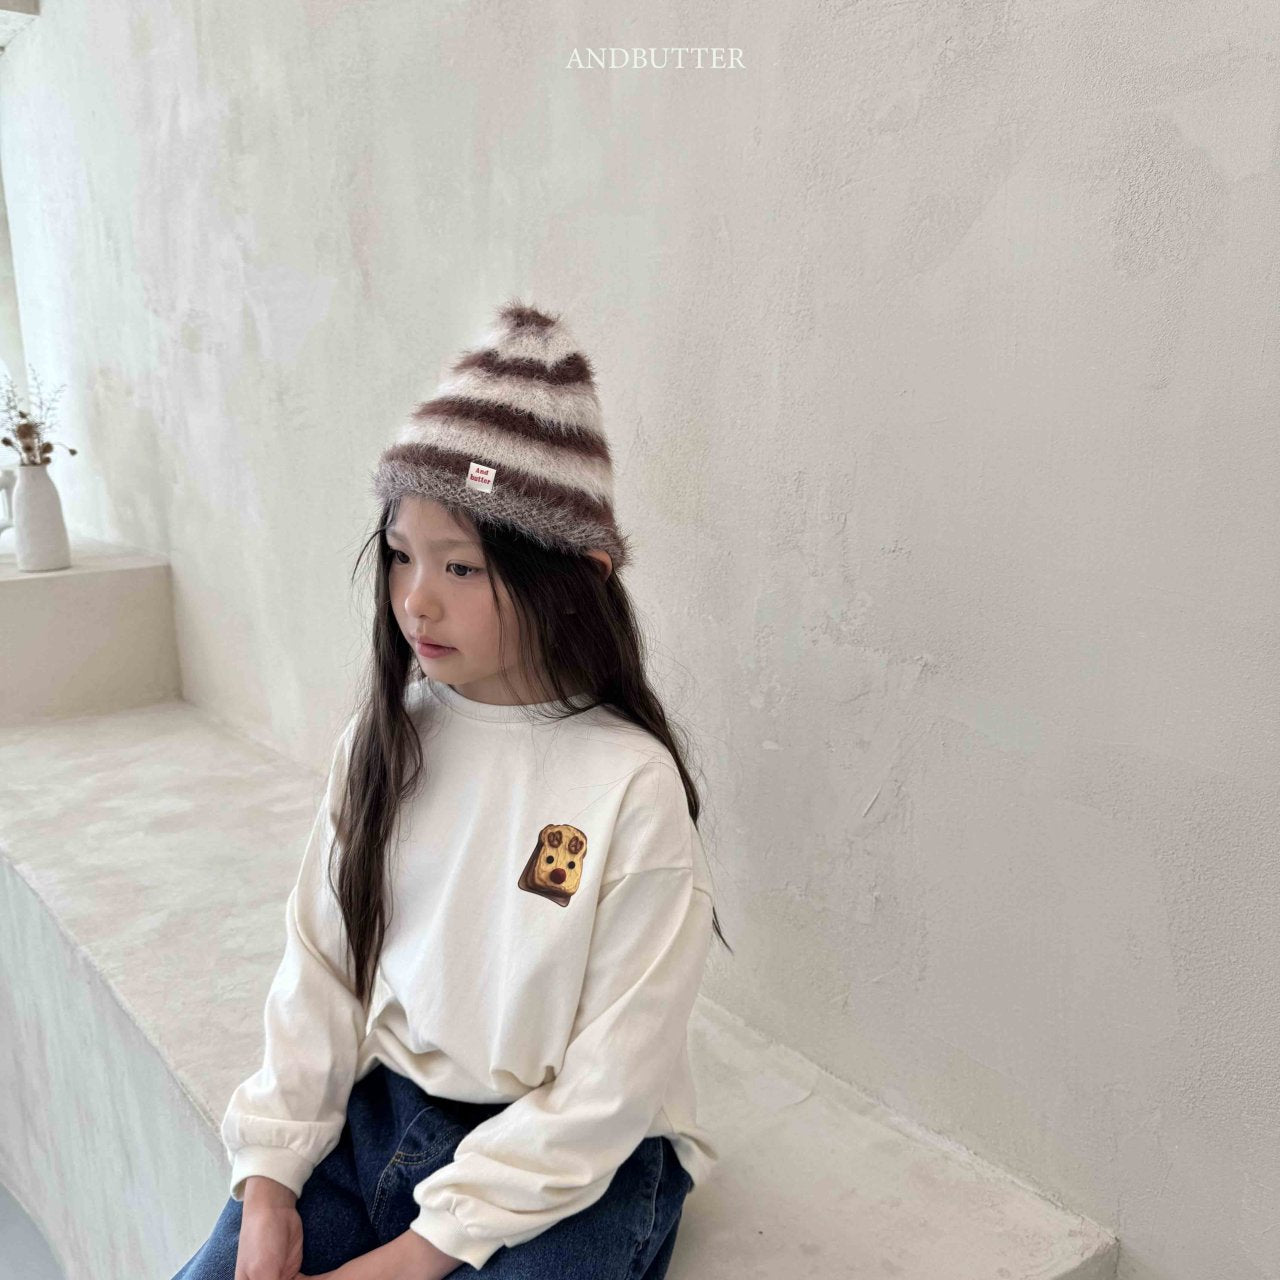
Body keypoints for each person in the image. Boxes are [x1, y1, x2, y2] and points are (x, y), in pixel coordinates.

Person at [171, 299, 732, 1280]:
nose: (415, 599)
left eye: (461, 566)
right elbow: (321, 968)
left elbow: (613, 1080)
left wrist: (416, 1255)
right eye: (400, 554)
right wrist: (268, 1182)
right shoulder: (386, 741)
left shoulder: (626, 784)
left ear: (577, 577)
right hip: (387, 1114)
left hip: (581, 1166)